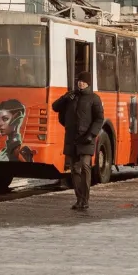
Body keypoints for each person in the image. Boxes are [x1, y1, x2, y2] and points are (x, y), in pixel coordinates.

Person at [51, 71, 104, 211]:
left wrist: (91, 134)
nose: (80, 83)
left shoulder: (94, 98)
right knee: (74, 169)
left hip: (86, 138)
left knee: (85, 167)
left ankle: (85, 199)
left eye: (83, 81)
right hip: (72, 137)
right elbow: (55, 107)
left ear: (88, 83)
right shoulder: (71, 97)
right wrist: (65, 97)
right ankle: (79, 199)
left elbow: (99, 119)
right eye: (79, 81)